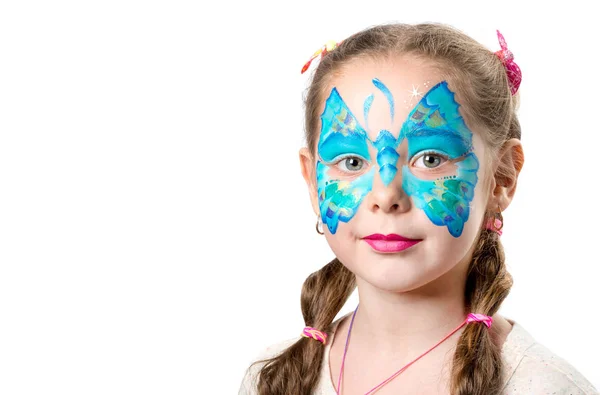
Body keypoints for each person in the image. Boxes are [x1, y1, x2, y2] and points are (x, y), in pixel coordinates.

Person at [239, 22, 599, 395]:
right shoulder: (272, 379)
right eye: (351, 162)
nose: (386, 195)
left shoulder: (541, 387)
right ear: (312, 181)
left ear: (502, 178)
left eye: (430, 158)